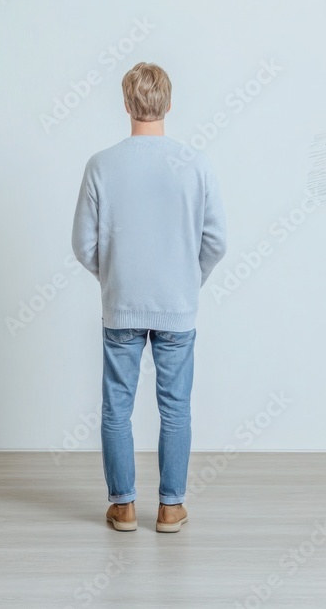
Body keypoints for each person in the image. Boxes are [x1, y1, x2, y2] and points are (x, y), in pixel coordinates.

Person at [71, 62, 227, 533]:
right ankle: (170, 507)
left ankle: (122, 507)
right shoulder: (195, 163)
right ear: (169, 103)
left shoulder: (102, 164)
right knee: (175, 407)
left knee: (117, 404)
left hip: (121, 302)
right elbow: (216, 241)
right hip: (177, 305)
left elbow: (83, 244)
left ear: (125, 104)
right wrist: (185, 279)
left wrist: (113, 276)